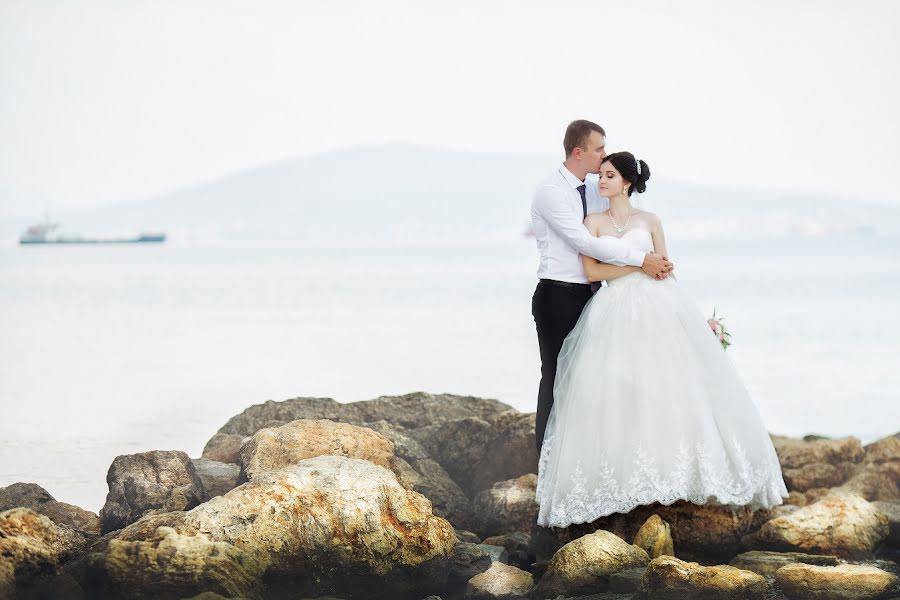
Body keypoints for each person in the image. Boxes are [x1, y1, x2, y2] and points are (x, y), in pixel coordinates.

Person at [534, 151, 789, 527]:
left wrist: (691, 319)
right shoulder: (592, 221)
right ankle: (621, 474)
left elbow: (666, 269)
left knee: (667, 383)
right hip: (612, 308)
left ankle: (674, 470)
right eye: (599, 175)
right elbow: (592, 270)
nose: (600, 181)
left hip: (658, 303)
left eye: (607, 176)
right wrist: (640, 263)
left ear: (626, 183)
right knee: (616, 384)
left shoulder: (651, 220)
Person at [531, 120, 673, 453]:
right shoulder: (551, 191)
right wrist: (641, 259)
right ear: (578, 152)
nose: (604, 155)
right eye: (599, 149)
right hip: (559, 294)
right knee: (555, 377)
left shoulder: (597, 188)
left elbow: (617, 221)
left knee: (595, 379)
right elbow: (585, 242)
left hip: (597, 297)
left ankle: (594, 454)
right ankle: (547, 462)